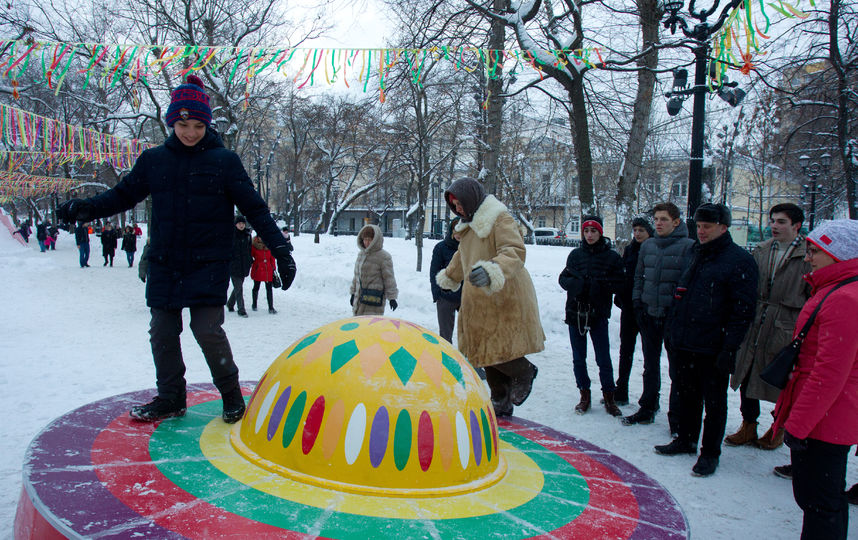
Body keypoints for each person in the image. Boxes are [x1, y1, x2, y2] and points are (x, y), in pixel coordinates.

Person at [56, 74, 296, 424]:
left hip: (209, 262)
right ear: (172, 122)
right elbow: (122, 195)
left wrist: (281, 251)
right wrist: (86, 208)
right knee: (163, 332)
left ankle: (230, 394)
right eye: (183, 124)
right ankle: (171, 397)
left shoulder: (223, 161)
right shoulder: (155, 161)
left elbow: (255, 208)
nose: (190, 132)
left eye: (198, 125)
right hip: (166, 262)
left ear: (207, 124)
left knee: (207, 330)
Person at [770, 219, 858, 539]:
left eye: (815, 251)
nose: (809, 258)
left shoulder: (844, 298)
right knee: (823, 498)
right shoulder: (839, 290)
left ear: (838, 254)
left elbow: (828, 373)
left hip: (825, 418)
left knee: (819, 500)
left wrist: (798, 425)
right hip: (827, 414)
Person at [655, 203, 758, 477]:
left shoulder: (739, 260)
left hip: (715, 345)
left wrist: (730, 347)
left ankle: (710, 452)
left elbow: (743, 311)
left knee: (714, 403)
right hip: (686, 340)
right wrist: (673, 331)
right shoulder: (695, 253)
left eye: (707, 227)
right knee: (687, 395)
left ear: (723, 228)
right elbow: (683, 293)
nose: (701, 231)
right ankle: (686, 439)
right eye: (699, 226)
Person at [435, 178, 543, 417]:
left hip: (503, 296)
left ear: (471, 199)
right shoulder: (468, 226)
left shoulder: (499, 218)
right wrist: (450, 277)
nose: (458, 209)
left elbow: (514, 251)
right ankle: (500, 401)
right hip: (479, 300)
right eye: (454, 205)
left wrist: (492, 270)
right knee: (485, 352)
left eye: (460, 203)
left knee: (499, 349)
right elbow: (461, 257)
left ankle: (524, 371)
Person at [725, 203, 810, 450]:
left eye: (781, 222)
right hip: (757, 321)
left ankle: (778, 427)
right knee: (748, 373)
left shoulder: (806, 254)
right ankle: (748, 424)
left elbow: (810, 295)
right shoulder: (761, 250)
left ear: (796, 226)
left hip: (786, 324)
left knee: (781, 378)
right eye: (772, 220)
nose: (774, 226)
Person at [622, 202, 694, 428]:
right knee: (650, 365)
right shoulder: (648, 246)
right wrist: (638, 303)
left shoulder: (689, 247)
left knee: (677, 371)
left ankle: (678, 417)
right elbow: (639, 277)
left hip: (673, 318)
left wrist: (677, 312)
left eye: (664, 219)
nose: (659, 223)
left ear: (676, 221)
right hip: (648, 313)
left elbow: (687, 284)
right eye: (657, 219)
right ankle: (648, 406)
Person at [558, 215, 624, 416]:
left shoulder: (612, 257)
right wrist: (578, 285)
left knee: (603, 357)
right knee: (579, 358)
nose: (589, 235)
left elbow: (620, 282)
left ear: (600, 233)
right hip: (575, 313)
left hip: (598, 314)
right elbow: (564, 278)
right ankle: (584, 395)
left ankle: (609, 397)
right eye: (586, 231)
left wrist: (600, 286)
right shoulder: (576, 255)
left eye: (593, 231)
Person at [614, 217, 653, 405]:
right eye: (635, 230)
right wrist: (620, 296)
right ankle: (621, 390)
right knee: (625, 351)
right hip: (628, 308)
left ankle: (650, 397)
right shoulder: (630, 250)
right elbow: (624, 275)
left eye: (641, 231)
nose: (637, 234)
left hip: (647, 309)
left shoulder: (653, 250)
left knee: (649, 356)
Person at [349, 224, 398, 316]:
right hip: (359, 300)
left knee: (371, 327)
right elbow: (356, 276)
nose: (366, 242)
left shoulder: (383, 257)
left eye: (369, 239)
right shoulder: (361, 255)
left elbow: (389, 278)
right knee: (358, 327)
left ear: (375, 240)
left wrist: (392, 298)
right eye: (365, 239)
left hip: (373, 300)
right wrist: (353, 293)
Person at [429, 218, 462, 343]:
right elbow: (434, 272)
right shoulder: (441, 248)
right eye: (456, 230)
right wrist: (437, 294)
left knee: (468, 333)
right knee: (445, 336)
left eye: (462, 230)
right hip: (446, 297)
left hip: (466, 297)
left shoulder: (470, 249)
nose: (459, 234)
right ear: (452, 231)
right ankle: (446, 359)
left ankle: (466, 360)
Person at [226, 216, 252, 317]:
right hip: (234, 265)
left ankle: (230, 303)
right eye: (239, 223)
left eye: (243, 223)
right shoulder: (231, 234)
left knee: (238, 287)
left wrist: (249, 260)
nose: (241, 225)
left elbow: (249, 249)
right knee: (239, 287)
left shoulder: (247, 235)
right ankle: (241, 309)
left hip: (244, 265)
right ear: (235, 224)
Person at [250, 235, 278, 314]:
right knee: (256, 287)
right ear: (257, 237)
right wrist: (254, 263)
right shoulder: (254, 246)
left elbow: (272, 258)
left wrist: (273, 268)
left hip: (268, 270)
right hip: (258, 269)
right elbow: (250, 256)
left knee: (269, 289)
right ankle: (254, 304)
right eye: (260, 237)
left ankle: (271, 307)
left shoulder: (269, 245)